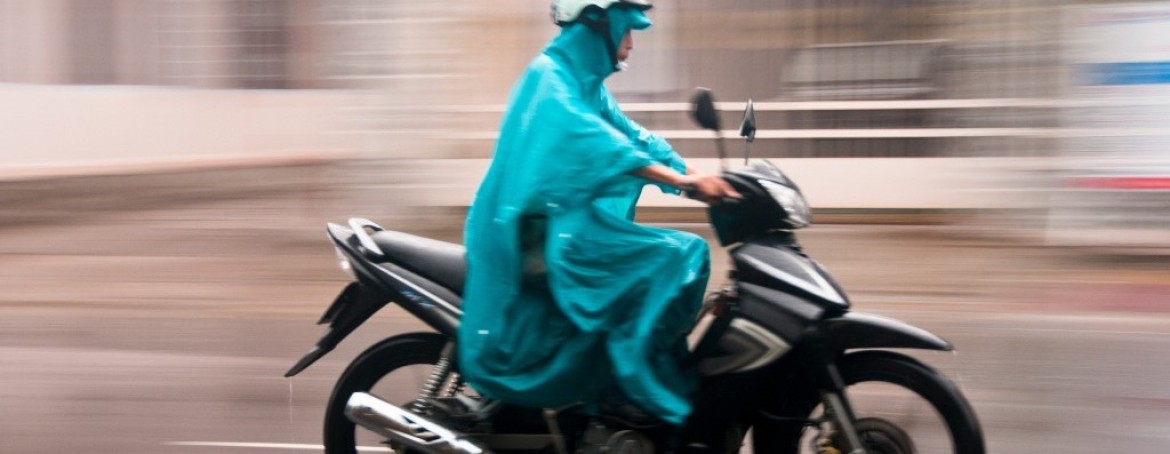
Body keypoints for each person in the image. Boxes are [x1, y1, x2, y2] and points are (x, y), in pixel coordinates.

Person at [458, 0, 739, 426]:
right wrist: (681, 182)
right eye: (626, 31)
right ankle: (628, 383)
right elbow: (597, 142)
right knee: (676, 256)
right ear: (596, 27)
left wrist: (693, 174)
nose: (631, 44)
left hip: (560, 226)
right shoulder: (549, 78)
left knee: (671, 257)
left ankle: (619, 382)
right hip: (532, 234)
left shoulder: (582, 83)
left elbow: (634, 138)